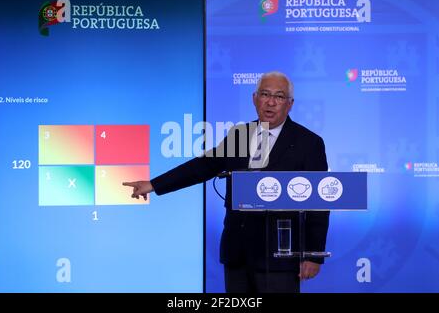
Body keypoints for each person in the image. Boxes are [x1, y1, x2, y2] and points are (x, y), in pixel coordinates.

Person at [123, 71, 329, 293]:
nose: (270, 102)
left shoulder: (309, 143)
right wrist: (154, 185)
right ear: (254, 98)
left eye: (279, 96)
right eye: (264, 94)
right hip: (238, 253)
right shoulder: (240, 135)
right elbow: (203, 166)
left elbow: (319, 204)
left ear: (289, 104)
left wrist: (313, 254)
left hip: (279, 258)